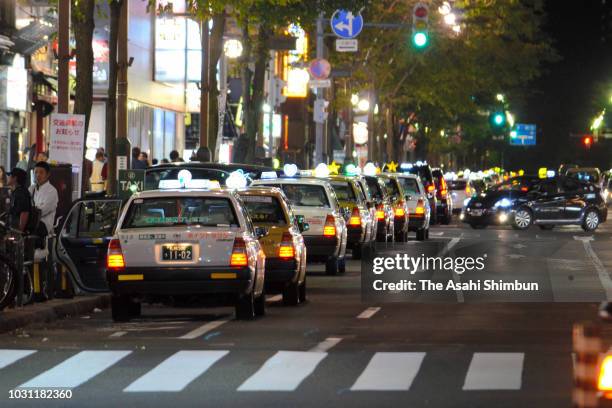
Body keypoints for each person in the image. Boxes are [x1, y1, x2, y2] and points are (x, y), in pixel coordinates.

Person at [29, 162, 59, 245]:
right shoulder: (31, 188)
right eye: (36, 172)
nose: (38, 175)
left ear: (48, 174)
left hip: (43, 225)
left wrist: (29, 211)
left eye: (41, 172)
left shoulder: (52, 191)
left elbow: (41, 211)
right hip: (32, 222)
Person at [7, 168, 31, 232]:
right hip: (12, 227)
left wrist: (19, 232)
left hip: (17, 231)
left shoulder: (21, 192)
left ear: (15, 178)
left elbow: (24, 212)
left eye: (9, 175)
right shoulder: (17, 191)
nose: (8, 177)